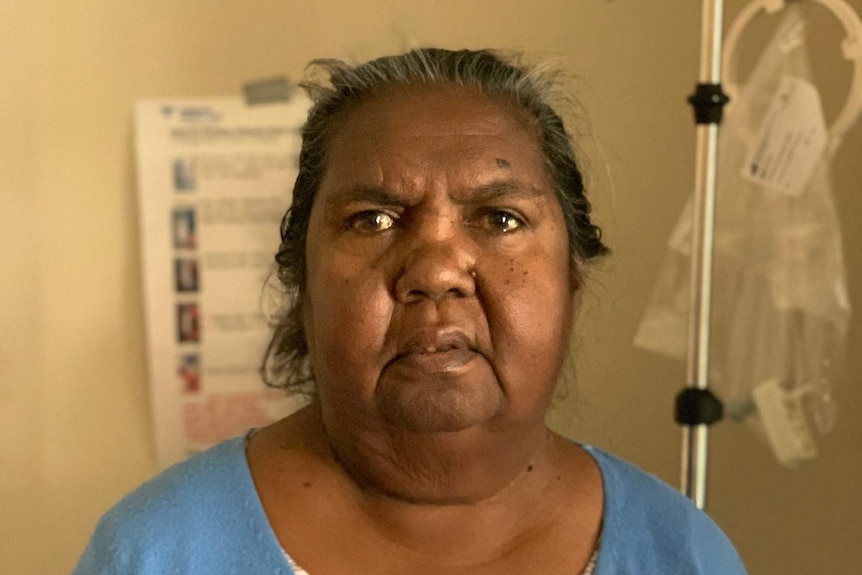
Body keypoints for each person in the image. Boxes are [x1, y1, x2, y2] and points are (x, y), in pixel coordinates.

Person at [74, 48, 746, 574]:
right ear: (302, 284)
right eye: (372, 219)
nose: (435, 270)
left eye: (500, 217)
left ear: (571, 283)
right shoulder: (156, 553)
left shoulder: (681, 551)